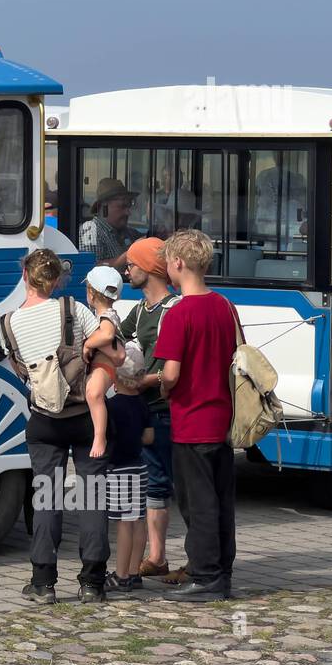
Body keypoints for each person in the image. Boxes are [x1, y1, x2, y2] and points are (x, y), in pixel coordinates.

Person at [3, 248, 110, 603]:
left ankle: (43, 582)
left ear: (25, 277)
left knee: (47, 497)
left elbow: (21, 370)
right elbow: (107, 341)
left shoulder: (10, 323)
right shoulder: (74, 310)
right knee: (92, 495)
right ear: (58, 280)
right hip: (85, 416)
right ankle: (92, 582)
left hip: (45, 419)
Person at [155, 229, 241, 602]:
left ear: (177, 263)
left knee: (198, 503)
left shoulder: (178, 314)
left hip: (191, 421)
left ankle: (205, 576)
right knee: (222, 499)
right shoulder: (225, 305)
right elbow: (240, 354)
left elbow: (171, 374)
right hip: (224, 417)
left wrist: (159, 387)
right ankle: (222, 569)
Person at [118, 237, 181, 578]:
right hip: (144, 409)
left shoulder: (171, 310)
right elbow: (118, 337)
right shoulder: (141, 309)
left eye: (131, 264)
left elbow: (168, 368)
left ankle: (165, 557)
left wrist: (140, 381)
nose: (126, 270)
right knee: (151, 484)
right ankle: (155, 556)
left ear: (149, 268)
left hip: (161, 408)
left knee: (165, 483)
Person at [105, 343, 152, 593]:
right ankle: (134, 572)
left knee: (123, 523)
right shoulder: (143, 405)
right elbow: (149, 437)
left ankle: (120, 575)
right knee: (139, 519)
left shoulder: (112, 407)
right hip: (139, 467)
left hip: (119, 469)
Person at [82, 265, 126, 459]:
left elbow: (107, 335)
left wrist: (88, 344)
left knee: (94, 394)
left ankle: (100, 437)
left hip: (104, 363)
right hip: (105, 362)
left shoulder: (106, 316)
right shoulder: (107, 314)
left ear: (91, 293)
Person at [78, 177, 140, 268]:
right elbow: (91, 269)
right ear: (104, 207)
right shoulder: (91, 231)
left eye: (128, 207)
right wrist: (129, 255)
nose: (128, 212)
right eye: (122, 206)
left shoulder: (127, 232)